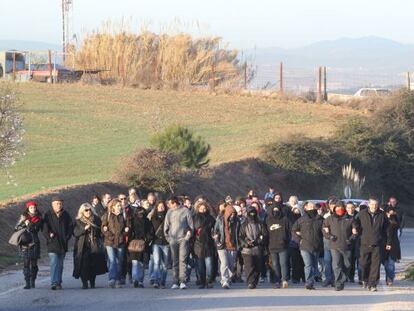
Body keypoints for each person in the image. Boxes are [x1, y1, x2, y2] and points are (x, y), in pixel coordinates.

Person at [322, 201, 358, 291]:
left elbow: (356, 232)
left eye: (341, 208)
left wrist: (351, 239)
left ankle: (342, 279)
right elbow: (324, 229)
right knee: (336, 265)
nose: (339, 210)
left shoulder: (351, 219)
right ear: (334, 209)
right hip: (335, 245)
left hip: (347, 245)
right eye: (337, 208)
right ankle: (338, 283)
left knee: (347, 265)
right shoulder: (329, 219)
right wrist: (329, 236)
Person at [358, 198, 391, 292]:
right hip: (364, 243)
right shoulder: (362, 214)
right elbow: (355, 223)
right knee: (364, 264)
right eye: (372, 204)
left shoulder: (382, 214)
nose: (374, 206)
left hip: (378, 244)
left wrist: (388, 242)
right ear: (369, 204)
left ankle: (372, 284)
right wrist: (355, 229)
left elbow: (387, 230)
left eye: (376, 205)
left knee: (375, 266)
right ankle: (365, 279)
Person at [73, 203, 107, 289]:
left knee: (93, 264)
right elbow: (75, 233)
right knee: (83, 265)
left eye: (89, 210)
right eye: (86, 210)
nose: (88, 212)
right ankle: (84, 283)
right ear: (82, 211)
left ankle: (92, 282)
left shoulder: (96, 219)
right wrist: (84, 229)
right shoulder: (78, 221)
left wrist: (103, 230)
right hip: (82, 245)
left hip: (94, 245)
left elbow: (101, 231)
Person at [43, 196, 73, 290]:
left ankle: (58, 282)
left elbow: (70, 227)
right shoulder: (47, 215)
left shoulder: (66, 214)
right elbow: (44, 228)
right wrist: (49, 236)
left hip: (63, 243)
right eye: (57, 203)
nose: (59, 205)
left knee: (60, 264)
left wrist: (67, 237)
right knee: (54, 262)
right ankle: (54, 282)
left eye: (60, 203)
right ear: (52, 204)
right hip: (52, 243)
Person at [292, 201, 323, 290]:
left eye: (313, 207)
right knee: (308, 264)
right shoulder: (302, 219)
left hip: (316, 246)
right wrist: (299, 240)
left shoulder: (320, 219)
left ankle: (312, 281)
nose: (312, 208)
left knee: (314, 265)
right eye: (310, 206)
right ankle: (309, 282)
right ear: (306, 208)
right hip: (304, 246)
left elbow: (324, 232)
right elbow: (293, 230)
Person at [164, 196, 194, 289]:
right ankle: (175, 282)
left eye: (170, 203)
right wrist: (169, 238)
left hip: (183, 239)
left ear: (175, 202)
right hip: (173, 240)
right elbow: (166, 227)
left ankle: (183, 281)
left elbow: (191, 226)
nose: (169, 205)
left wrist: (187, 237)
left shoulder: (186, 211)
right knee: (175, 261)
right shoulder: (169, 212)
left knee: (183, 260)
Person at [15, 201, 43, 289]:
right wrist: (24, 224)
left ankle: (33, 281)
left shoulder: (39, 217)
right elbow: (16, 228)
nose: (33, 209)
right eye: (31, 208)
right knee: (26, 264)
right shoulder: (23, 217)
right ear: (28, 208)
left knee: (34, 264)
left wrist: (29, 224)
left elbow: (36, 229)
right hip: (24, 243)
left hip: (34, 243)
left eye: (34, 207)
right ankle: (27, 282)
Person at [101, 198, 129, 288]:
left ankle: (119, 278)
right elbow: (103, 228)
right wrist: (110, 236)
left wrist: (124, 232)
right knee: (113, 260)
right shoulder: (107, 215)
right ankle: (112, 279)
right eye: (118, 206)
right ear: (113, 206)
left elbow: (128, 227)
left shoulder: (123, 215)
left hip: (121, 242)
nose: (120, 207)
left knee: (119, 261)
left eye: (120, 206)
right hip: (109, 242)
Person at [238, 206, 266, 289]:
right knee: (249, 266)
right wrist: (246, 243)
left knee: (257, 266)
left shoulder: (260, 223)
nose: (252, 214)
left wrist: (257, 241)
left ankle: (255, 281)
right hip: (246, 250)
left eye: (254, 212)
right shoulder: (243, 224)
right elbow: (240, 236)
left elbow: (264, 234)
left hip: (257, 248)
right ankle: (250, 282)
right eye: (250, 212)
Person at [214, 203, 239, 289]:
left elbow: (238, 233)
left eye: (234, 214)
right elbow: (215, 230)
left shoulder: (236, 221)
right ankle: (225, 280)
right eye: (231, 213)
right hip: (222, 244)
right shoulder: (220, 219)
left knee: (231, 265)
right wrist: (217, 240)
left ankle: (228, 278)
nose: (232, 215)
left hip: (232, 245)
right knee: (224, 263)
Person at [265, 202, 291, 288]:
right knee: (275, 264)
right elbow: (265, 233)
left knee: (283, 263)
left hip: (283, 245)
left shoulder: (285, 219)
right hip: (272, 245)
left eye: (277, 210)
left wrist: (286, 240)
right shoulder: (268, 219)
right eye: (274, 210)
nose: (276, 211)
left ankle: (284, 280)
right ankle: (277, 280)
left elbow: (289, 231)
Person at [128, 204, 153, 288]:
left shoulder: (147, 221)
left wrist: (147, 239)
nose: (140, 214)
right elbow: (129, 232)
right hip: (134, 243)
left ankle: (140, 281)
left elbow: (150, 232)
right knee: (135, 262)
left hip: (144, 244)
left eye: (142, 212)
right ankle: (135, 279)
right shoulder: (132, 221)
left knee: (141, 263)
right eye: (139, 212)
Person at [193, 202, 216, 289]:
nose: (203, 210)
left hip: (208, 243)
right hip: (198, 244)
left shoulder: (211, 218)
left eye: (204, 208)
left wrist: (215, 235)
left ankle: (209, 281)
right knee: (200, 265)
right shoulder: (195, 218)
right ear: (198, 209)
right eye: (201, 208)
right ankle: (202, 282)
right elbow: (193, 230)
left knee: (209, 264)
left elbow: (215, 229)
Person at [151, 201, 170, 288]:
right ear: (156, 207)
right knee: (157, 261)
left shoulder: (168, 216)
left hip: (166, 242)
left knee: (165, 264)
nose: (161, 208)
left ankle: (162, 281)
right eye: (159, 206)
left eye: (163, 206)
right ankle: (156, 280)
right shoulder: (153, 217)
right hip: (156, 242)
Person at [383, 204, 401, 286]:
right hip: (383, 244)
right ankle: (390, 276)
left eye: (392, 212)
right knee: (385, 263)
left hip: (393, 244)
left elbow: (396, 230)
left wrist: (392, 217)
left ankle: (390, 279)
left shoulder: (394, 220)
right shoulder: (382, 219)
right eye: (388, 212)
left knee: (391, 263)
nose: (390, 214)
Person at [287, 206, 305, 283]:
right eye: (295, 211)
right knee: (295, 262)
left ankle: (304, 277)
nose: (296, 212)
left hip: (303, 243)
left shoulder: (304, 220)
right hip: (293, 243)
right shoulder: (289, 220)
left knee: (303, 261)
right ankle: (295, 278)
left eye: (298, 211)